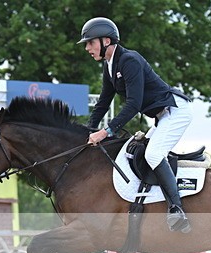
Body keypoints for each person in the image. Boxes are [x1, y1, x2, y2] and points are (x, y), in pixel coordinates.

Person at [78, 17, 193, 233]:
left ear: (106, 41)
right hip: (162, 116)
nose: (87, 48)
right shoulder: (110, 66)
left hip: (176, 111)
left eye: (90, 42)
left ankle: (177, 210)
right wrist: (88, 130)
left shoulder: (129, 60)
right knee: (138, 152)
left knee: (152, 155)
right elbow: (103, 101)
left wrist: (105, 132)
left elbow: (133, 104)